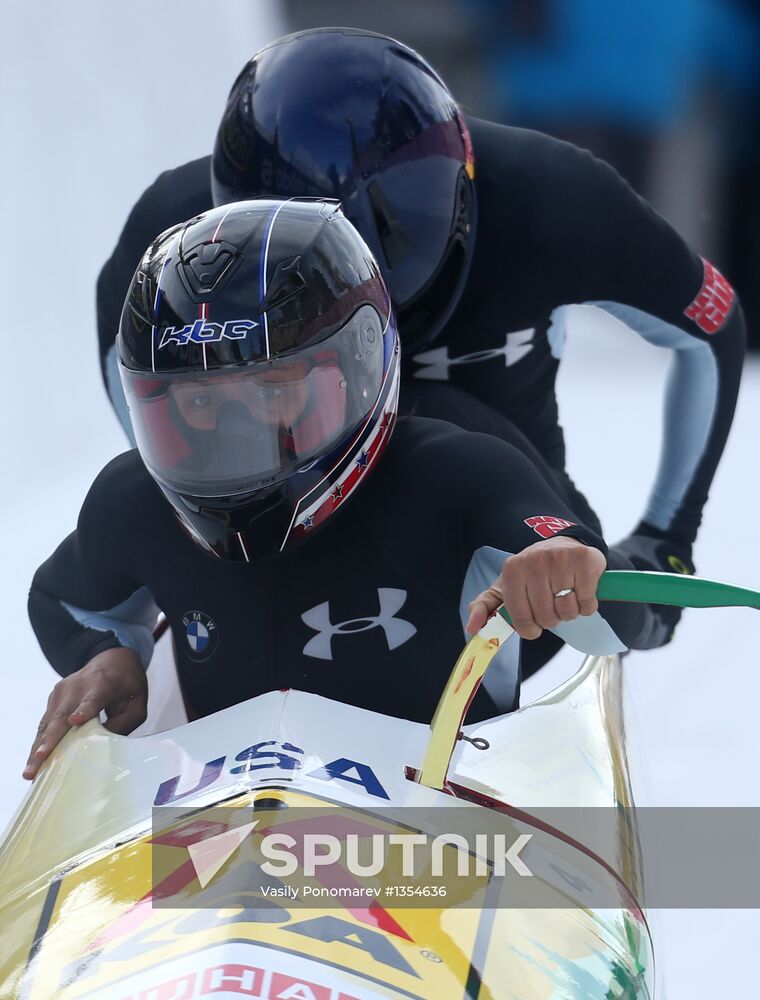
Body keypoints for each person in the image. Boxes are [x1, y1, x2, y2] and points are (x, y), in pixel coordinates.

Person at [96, 28, 746, 656]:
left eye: (387, 228)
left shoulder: (551, 196)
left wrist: (668, 534)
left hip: (508, 517)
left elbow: (709, 323)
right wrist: (195, 536)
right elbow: (143, 385)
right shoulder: (179, 237)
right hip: (285, 522)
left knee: (496, 477)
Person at [24, 199, 647, 780]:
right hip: (222, 854)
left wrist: (568, 570)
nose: (241, 436)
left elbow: (624, 614)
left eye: (274, 390)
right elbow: (61, 600)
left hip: (435, 853)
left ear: (356, 366)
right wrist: (106, 654)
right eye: (203, 401)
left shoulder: (457, 476)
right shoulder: (135, 502)